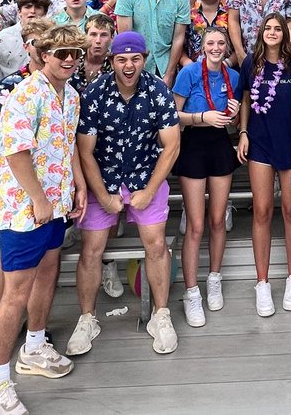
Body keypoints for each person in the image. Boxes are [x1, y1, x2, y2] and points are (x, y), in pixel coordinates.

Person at [0, 24, 87, 414]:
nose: (70, 60)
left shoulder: (71, 95)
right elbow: (15, 152)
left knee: (48, 272)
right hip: (24, 208)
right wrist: (40, 199)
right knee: (15, 294)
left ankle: (36, 345)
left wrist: (77, 185)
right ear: (42, 55)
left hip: (56, 203)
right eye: (62, 54)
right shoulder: (24, 92)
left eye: (75, 53)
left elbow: (68, 142)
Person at [70, 31, 181, 359]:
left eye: (135, 58)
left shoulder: (158, 89)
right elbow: (85, 150)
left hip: (146, 176)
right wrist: (103, 196)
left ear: (144, 58)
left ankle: (161, 315)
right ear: (112, 61)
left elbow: (172, 145)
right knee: (91, 250)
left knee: (157, 244)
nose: (129, 65)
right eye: (122, 59)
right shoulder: (94, 93)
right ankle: (87, 318)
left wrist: (148, 190)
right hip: (103, 178)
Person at [237, 13, 291, 317]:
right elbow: (243, 98)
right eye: (269, 28)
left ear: (285, 34)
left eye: (278, 28)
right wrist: (242, 133)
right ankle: (262, 282)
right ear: (261, 32)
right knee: (262, 210)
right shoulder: (251, 62)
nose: (273, 32)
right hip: (260, 143)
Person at [172, 26, 240, 327]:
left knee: (217, 219)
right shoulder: (188, 73)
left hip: (220, 145)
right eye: (210, 42)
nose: (215, 47)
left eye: (220, 43)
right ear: (202, 46)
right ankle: (191, 291)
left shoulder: (233, 77)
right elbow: (174, 115)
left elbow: (233, 118)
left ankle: (214, 278)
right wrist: (202, 118)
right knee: (196, 225)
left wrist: (233, 116)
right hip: (193, 146)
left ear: (227, 48)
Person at [114, 0, 190, 87]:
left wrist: (169, 73)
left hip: (165, 63)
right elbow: (126, 36)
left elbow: (178, 38)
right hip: (135, 65)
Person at [0, 0, 52, 80]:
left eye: (38, 7)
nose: (32, 11)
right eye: (28, 7)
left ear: (45, 13)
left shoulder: (53, 38)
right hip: (9, 90)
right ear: (19, 11)